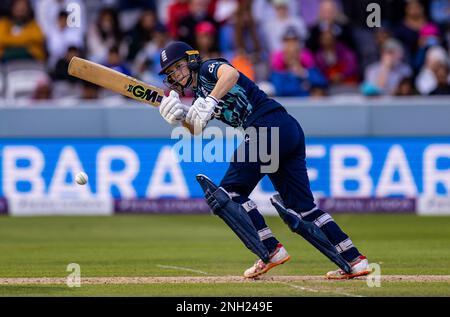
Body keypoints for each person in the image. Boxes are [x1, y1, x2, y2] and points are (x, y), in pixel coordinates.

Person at [156, 40, 371, 279]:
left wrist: (211, 100)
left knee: (228, 195)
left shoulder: (208, 68)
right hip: (287, 130)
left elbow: (231, 74)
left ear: (192, 59)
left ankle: (270, 250)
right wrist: (180, 117)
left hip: (267, 127)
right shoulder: (198, 95)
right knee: (302, 208)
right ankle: (355, 260)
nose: (175, 74)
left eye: (178, 67)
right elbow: (197, 128)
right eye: (170, 72)